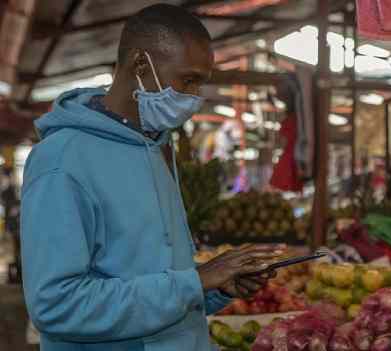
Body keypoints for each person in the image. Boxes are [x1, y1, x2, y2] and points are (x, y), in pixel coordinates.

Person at [21, 5, 283, 351]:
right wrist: (196, 280)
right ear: (140, 65)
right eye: (187, 80)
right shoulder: (63, 161)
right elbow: (56, 306)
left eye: (200, 84)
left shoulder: (155, 147)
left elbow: (156, 277)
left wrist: (215, 288)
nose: (193, 98)